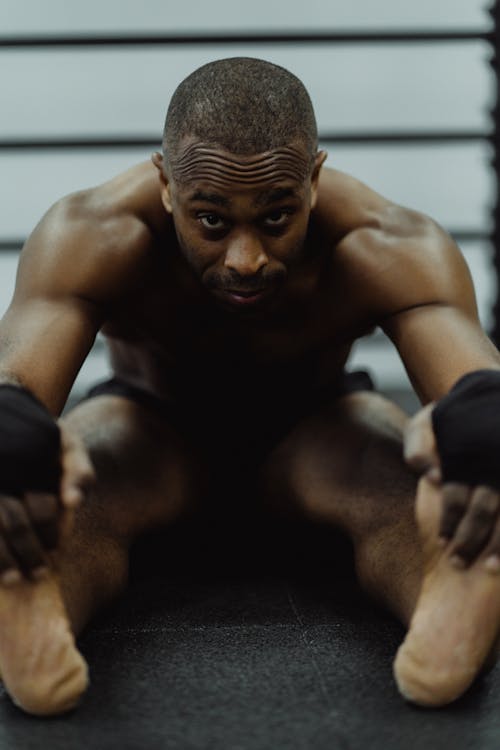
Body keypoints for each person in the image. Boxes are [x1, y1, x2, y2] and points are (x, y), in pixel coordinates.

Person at [0, 56, 499, 716]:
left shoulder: (386, 243)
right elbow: (17, 382)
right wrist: (17, 443)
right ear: (167, 185)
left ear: (314, 180)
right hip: (154, 431)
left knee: (402, 490)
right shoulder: (94, 234)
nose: (246, 259)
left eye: (275, 218)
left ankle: (457, 581)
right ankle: (29, 587)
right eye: (211, 220)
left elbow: (474, 384)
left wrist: (477, 434)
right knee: (71, 493)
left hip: (315, 428)